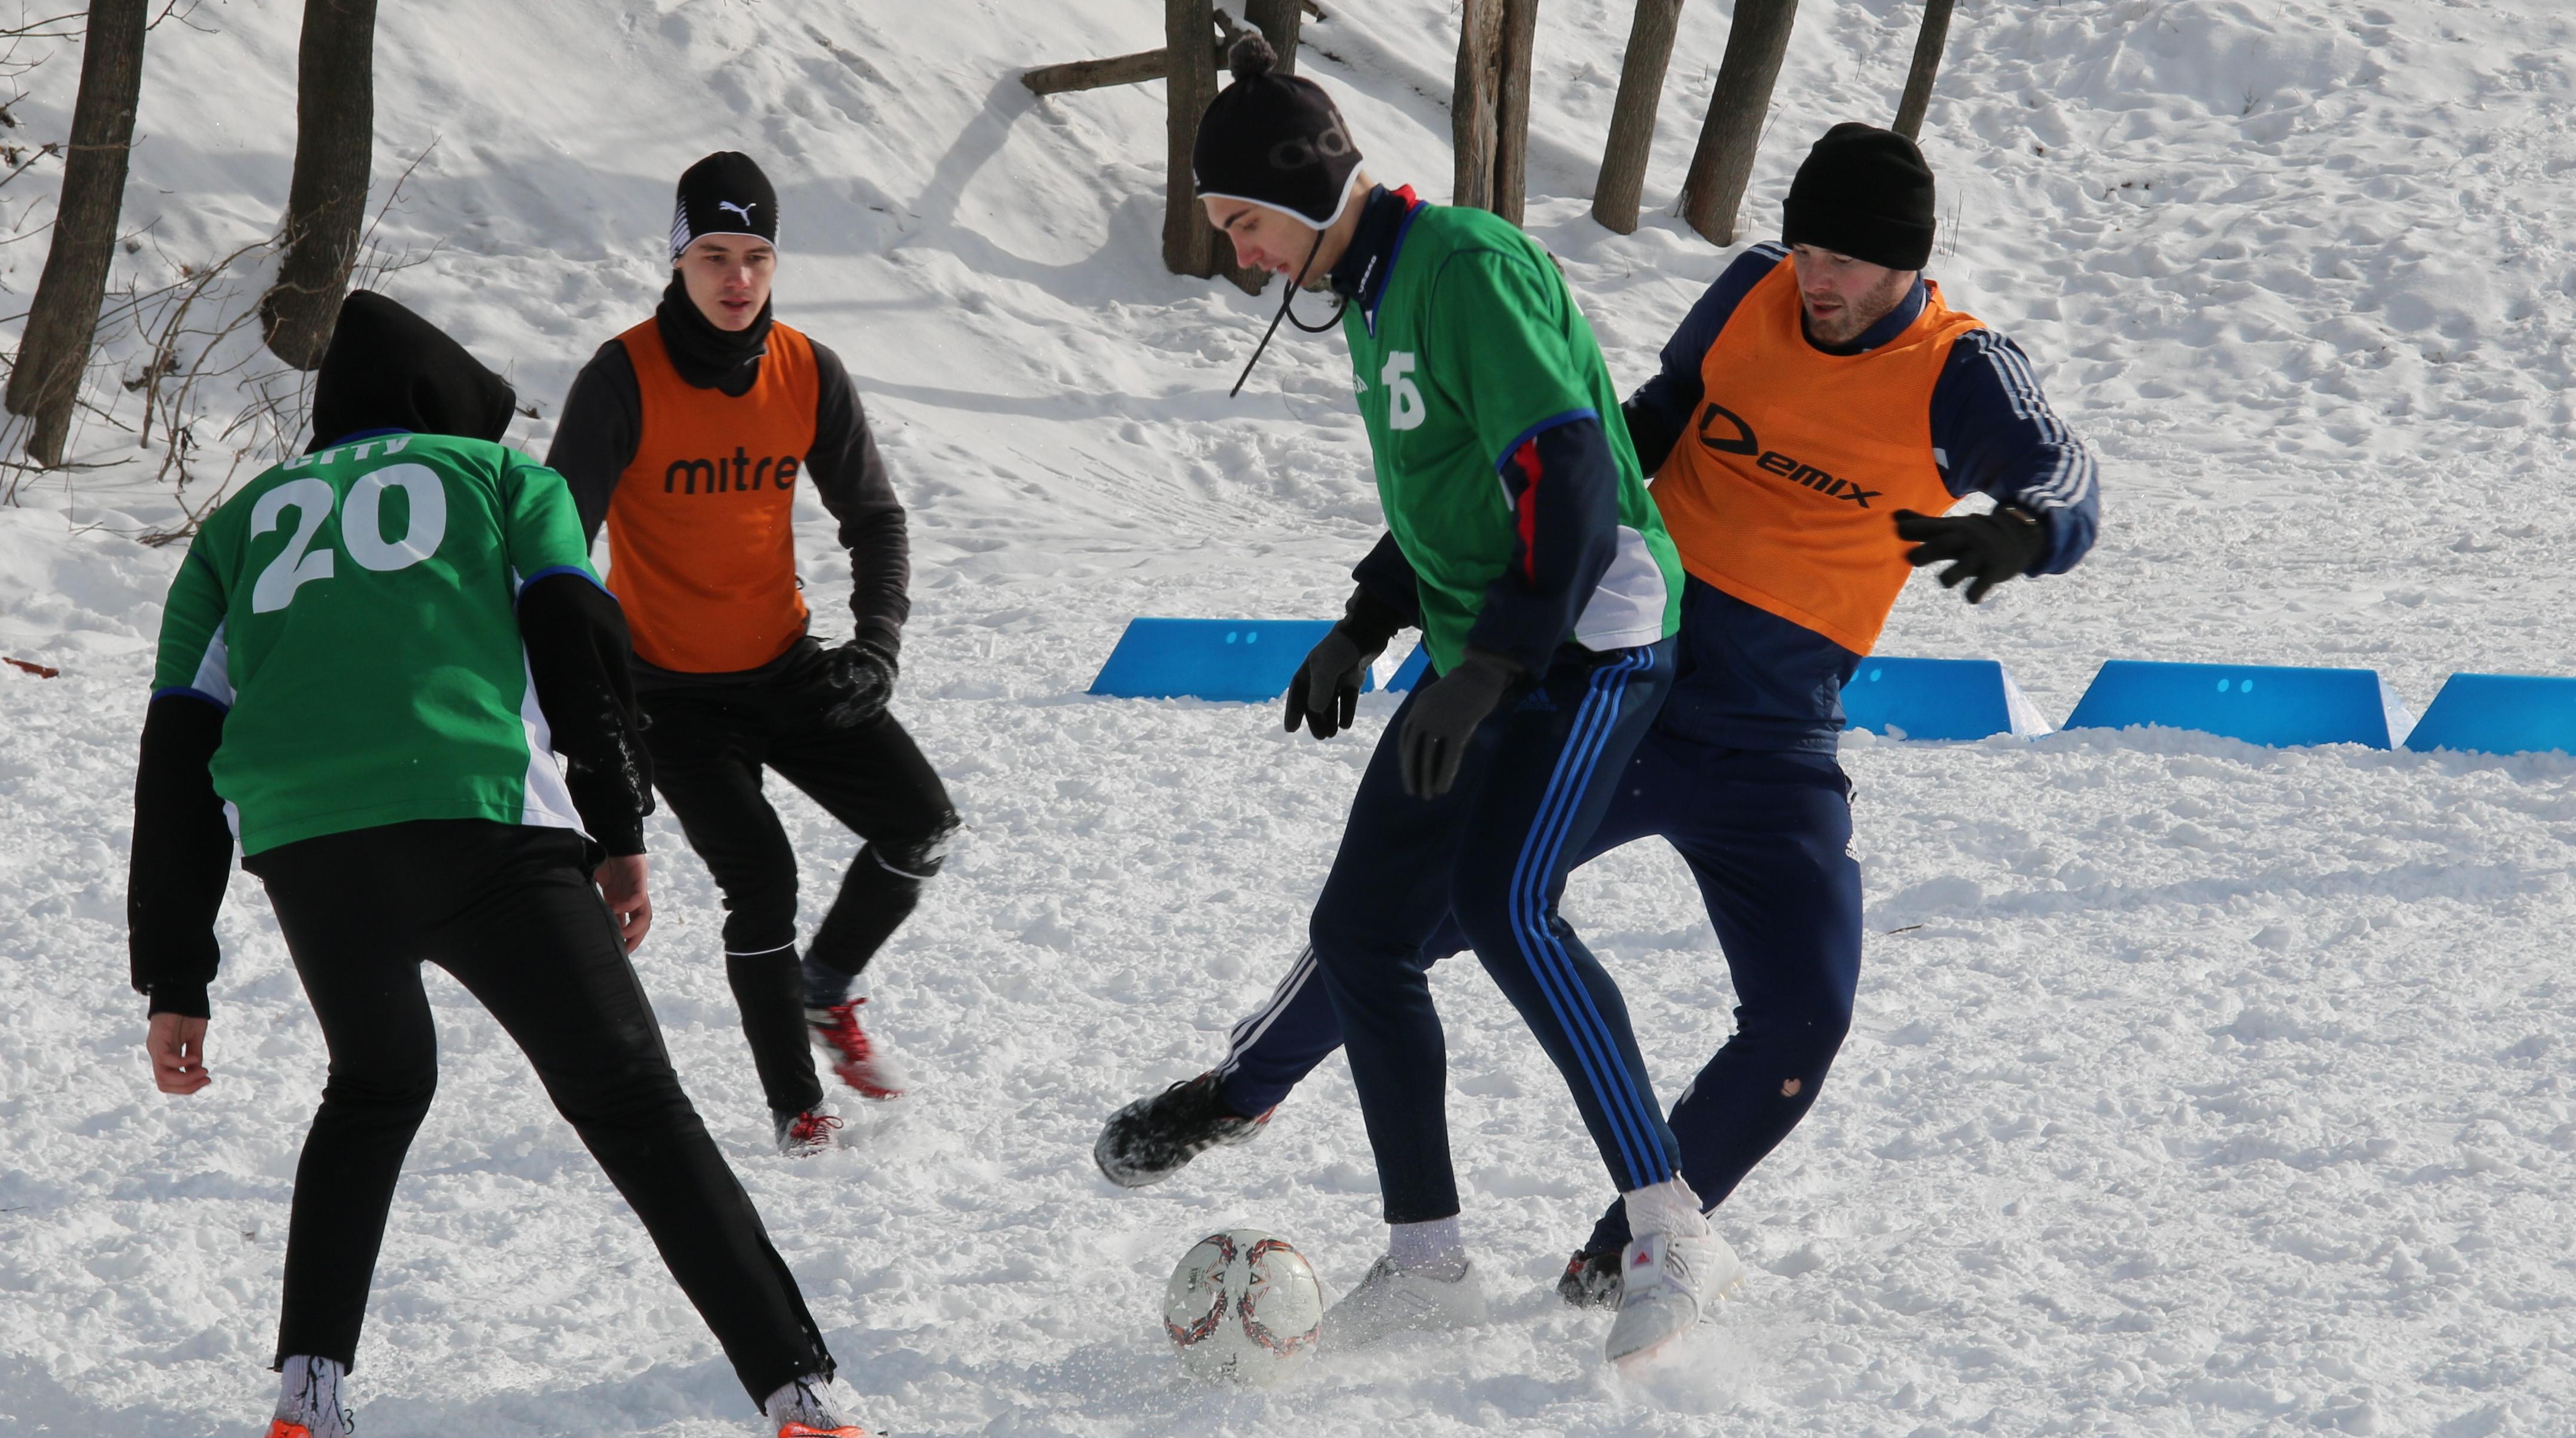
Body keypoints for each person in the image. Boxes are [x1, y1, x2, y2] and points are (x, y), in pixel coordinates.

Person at [1098, 121, 2100, 1327]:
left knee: (1804, 1019)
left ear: (1910, 266)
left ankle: (1614, 1255)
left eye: (1845, 264)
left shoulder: (1957, 367)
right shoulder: (1752, 296)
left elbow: (2064, 471)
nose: (1815, 282)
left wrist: (2028, 529)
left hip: (1776, 740)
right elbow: (1620, 432)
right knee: (1413, 915)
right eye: (1804, 251)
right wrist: (1404, 599)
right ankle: (1236, 1092)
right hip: (1629, 680)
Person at [127, 291, 861, 1438]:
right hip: (480, 824)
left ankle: (306, 1394)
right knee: (632, 1102)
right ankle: (799, 1392)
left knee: (374, 1086)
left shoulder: (241, 524)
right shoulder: (508, 481)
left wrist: (177, 972)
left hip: (310, 848)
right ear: (448, 402)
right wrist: (622, 831)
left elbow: (176, 750)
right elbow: (580, 645)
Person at [1170, 37, 1707, 1369]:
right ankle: (1428, 1263)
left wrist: (1495, 666)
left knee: (1508, 908)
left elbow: (1574, 474)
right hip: (1483, 646)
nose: (1241, 256)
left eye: (1243, 223)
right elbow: (1448, 486)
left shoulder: (1458, 265)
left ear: (1305, 194)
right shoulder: (1368, 290)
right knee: (1360, 934)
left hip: (1592, 637)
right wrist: (1367, 621)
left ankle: (1667, 1222)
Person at [548, 152, 956, 1155]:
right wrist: (589, 709)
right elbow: (553, 554)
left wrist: (877, 645)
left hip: (783, 667)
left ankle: (826, 988)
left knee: (922, 826)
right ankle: (796, 1109)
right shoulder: (621, 377)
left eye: (759, 257)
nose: (738, 280)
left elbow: (874, 517)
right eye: (716, 256)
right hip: (670, 697)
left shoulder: (807, 370)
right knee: (762, 880)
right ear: (678, 258)